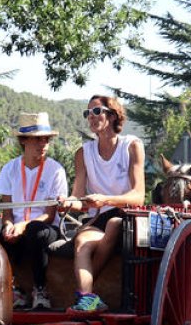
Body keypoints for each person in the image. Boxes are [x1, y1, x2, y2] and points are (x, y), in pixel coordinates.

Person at [59, 95, 145, 313]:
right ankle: (88, 298)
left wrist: (105, 199)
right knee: (82, 241)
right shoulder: (82, 153)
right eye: (88, 113)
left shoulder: (132, 146)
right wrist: (67, 203)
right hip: (101, 218)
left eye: (97, 111)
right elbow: (79, 199)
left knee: (114, 224)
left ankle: (81, 289)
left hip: (127, 216)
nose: (91, 117)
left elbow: (138, 196)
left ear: (113, 114)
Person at [0, 112, 69, 310]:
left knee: (37, 231)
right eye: (37, 139)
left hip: (45, 227)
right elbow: (6, 212)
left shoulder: (56, 170)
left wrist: (22, 225)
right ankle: (13, 289)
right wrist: (9, 226)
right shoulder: (9, 169)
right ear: (24, 141)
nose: (43, 144)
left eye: (46, 139)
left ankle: (40, 290)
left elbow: (50, 214)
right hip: (18, 227)